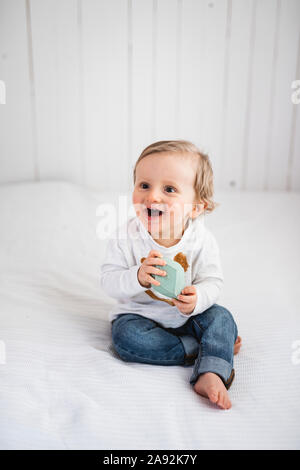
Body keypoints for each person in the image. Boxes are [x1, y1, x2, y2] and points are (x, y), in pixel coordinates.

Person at [99, 140, 242, 409]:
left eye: (169, 189)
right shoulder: (125, 237)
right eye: (144, 185)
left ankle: (211, 372)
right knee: (126, 340)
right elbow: (108, 281)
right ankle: (202, 349)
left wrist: (198, 297)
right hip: (138, 315)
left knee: (221, 318)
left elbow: (213, 281)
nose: (152, 197)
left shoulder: (201, 240)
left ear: (196, 207)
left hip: (187, 315)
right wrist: (137, 277)